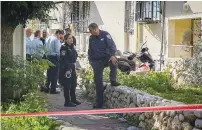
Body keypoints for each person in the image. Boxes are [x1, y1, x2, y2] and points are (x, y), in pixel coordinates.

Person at [88, 23, 121, 109]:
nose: (90, 32)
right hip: (96, 61)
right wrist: (90, 61)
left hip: (106, 58)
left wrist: (113, 55)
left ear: (95, 29)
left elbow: (112, 46)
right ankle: (99, 103)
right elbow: (90, 50)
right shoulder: (91, 38)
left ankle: (113, 80)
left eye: (91, 30)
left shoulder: (105, 35)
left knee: (114, 61)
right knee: (98, 81)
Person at [59, 33, 81, 107]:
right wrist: (68, 69)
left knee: (73, 84)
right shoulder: (64, 47)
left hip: (72, 67)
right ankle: (67, 101)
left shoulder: (72, 47)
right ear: (65, 40)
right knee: (67, 85)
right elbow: (64, 59)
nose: (71, 39)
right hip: (66, 68)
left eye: (71, 38)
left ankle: (73, 99)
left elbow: (74, 57)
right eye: (69, 38)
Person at [45, 30, 64, 94]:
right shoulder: (56, 39)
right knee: (55, 74)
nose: (61, 37)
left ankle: (46, 87)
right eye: (61, 35)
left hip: (48, 57)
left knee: (49, 73)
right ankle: (53, 89)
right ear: (58, 33)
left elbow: (45, 48)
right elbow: (58, 50)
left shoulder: (48, 38)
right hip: (54, 58)